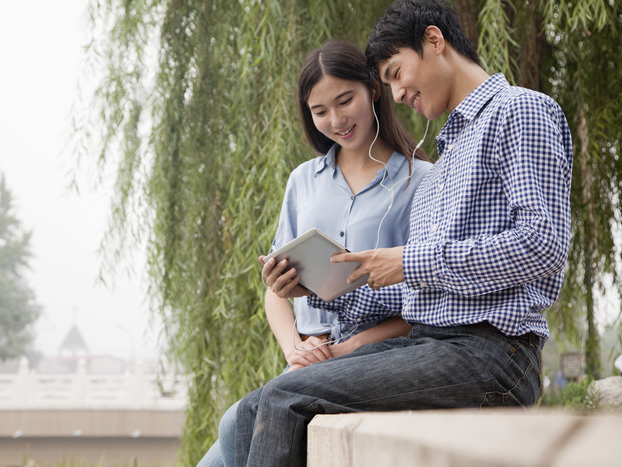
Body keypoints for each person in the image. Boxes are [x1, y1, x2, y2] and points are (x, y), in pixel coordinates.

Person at [235, 1, 573, 465]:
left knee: (283, 398)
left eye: (396, 73)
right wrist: (317, 287)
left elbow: (543, 245)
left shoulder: (520, 111)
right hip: (431, 343)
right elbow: (418, 293)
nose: (394, 94)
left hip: (494, 353)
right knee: (257, 403)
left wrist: (408, 262)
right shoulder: (449, 154)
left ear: (434, 41)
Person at [197, 40, 432, 466]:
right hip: (309, 359)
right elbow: (276, 291)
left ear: (373, 91)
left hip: (375, 355)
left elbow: (426, 299)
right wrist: (295, 347)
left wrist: (351, 346)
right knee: (228, 434)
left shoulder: (422, 182)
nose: (336, 120)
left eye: (345, 101)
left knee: (234, 425)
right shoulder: (303, 181)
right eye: (319, 111)